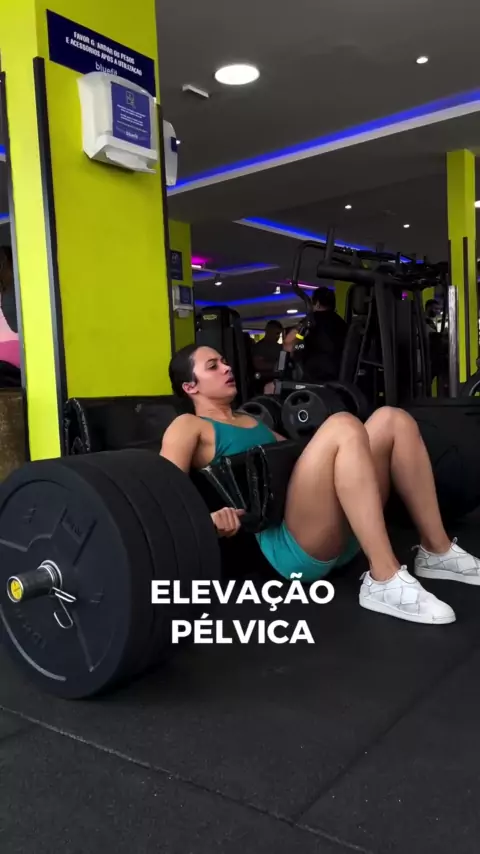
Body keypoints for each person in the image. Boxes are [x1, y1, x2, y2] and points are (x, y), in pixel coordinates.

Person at [160, 343, 480, 626]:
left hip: (329, 534)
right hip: (284, 550)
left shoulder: (251, 420)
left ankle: (436, 550)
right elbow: (161, 495)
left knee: (392, 419)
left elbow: (297, 463)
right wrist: (208, 522)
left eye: (224, 361)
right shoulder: (188, 426)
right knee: (342, 425)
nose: (227, 368)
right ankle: (383, 577)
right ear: (190, 386)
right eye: (213, 366)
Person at [301, 285, 348, 381]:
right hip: (339, 375)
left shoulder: (311, 321)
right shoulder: (342, 323)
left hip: (315, 377)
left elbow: (294, 343)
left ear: (317, 304)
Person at [252, 320, 282, 384]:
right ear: (268, 331)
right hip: (264, 380)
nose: (278, 336)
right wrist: (276, 365)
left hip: (279, 379)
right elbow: (259, 364)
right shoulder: (260, 347)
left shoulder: (280, 347)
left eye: (279, 334)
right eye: (276, 333)